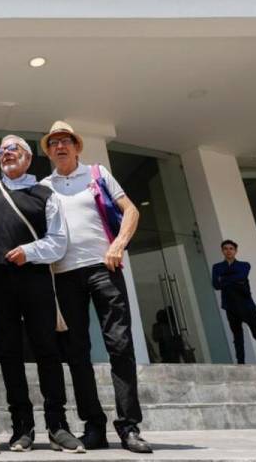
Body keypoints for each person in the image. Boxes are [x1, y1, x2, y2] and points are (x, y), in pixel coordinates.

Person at [39, 120, 152, 454]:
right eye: (54, 142)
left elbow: (130, 211)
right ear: (48, 151)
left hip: (104, 268)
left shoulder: (97, 174)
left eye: (66, 141)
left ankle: (129, 427)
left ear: (77, 146)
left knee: (120, 346)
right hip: (63, 275)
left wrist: (118, 244)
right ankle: (94, 426)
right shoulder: (45, 186)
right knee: (76, 353)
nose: (60, 146)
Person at [0, 135, 84, 454]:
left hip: (36, 278)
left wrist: (29, 251)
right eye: (2, 151)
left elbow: (59, 241)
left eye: (13, 150)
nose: (6, 154)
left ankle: (57, 426)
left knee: (47, 350)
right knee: (9, 354)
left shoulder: (45, 193)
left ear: (27, 158)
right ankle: (21, 428)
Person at [211, 239, 256, 365]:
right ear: (222, 251)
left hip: (246, 304)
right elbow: (216, 285)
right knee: (237, 337)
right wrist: (231, 279)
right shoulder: (217, 267)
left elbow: (241, 276)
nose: (228, 251)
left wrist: (224, 278)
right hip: (230, 305)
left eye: (231, 248)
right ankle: (241, 363)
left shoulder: (244, 265)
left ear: (236, 251)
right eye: (226, 248)